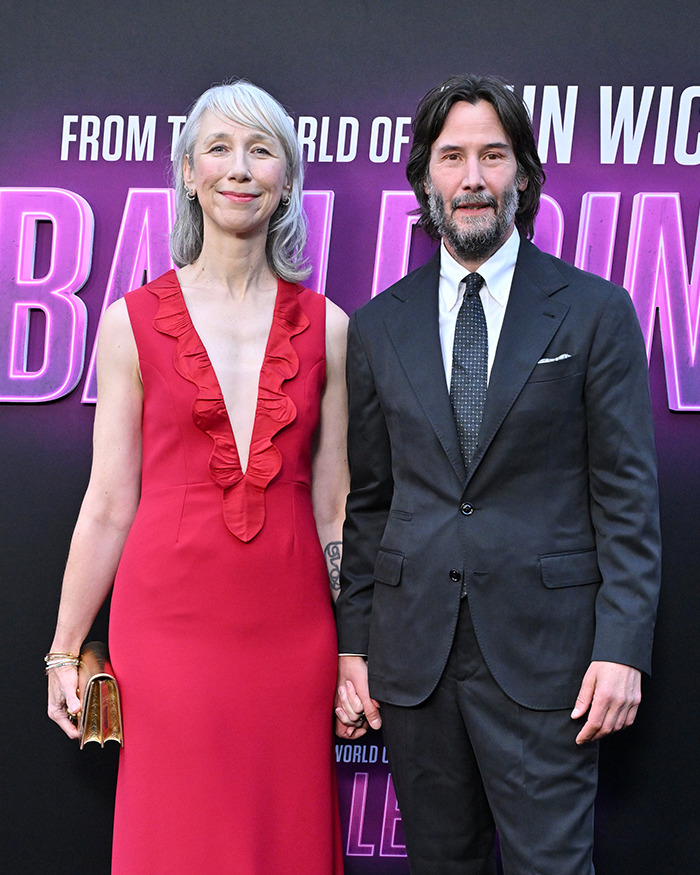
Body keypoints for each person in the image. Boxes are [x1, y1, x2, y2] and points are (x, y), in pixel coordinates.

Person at [334, 74, 661, 874]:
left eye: (492, 154)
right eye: (452, 157)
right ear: (424, 178)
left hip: (552, 662)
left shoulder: (593, 310)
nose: (472, 177)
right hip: (415, 662)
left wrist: (623, 646)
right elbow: (370, 502)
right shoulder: (378, 324)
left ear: (524, 174)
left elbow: (626, 498)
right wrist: (354, 647)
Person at [47, 80, 347, 874]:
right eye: (218, 148)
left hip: (294, 635)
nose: (239, 168)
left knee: (288, 836)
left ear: (287, 176)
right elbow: (109, 501)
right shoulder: (130, 320)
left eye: (261, 150)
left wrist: (356, 646)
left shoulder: (331, 327)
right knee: (174, 839)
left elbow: (336, 507)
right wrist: (64, 647)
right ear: (187, 171)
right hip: (167, 632)